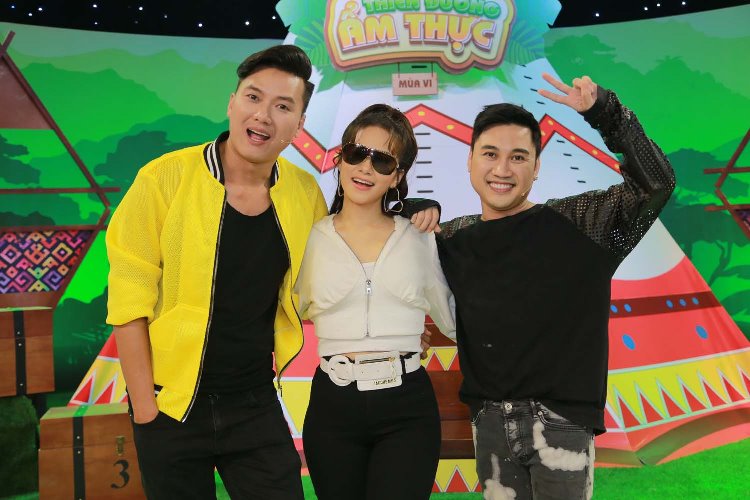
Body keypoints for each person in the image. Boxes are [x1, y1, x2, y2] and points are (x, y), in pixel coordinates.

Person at [106, 45, 439, 499]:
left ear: (299, 124)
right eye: (253, 97)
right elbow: (129, 297)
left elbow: (340, 259)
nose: (263, 115)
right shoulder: (162, 179)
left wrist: (393, 324)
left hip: (255, 403)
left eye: (283, 106)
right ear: (232, 102)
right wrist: (146, 408)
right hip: (171, 403)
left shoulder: (303, 194)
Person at [436, 74, 676, 499]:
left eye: (518, 157)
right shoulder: (453, 238)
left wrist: (605, 112)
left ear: (536, 167)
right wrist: (416, 206)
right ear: (470, 160)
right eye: (490, 154)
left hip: (561, 424)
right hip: (489, 424)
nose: (502, 170)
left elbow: (656, 184)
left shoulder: (582, 224)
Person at [296, 104, 456, 500]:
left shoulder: (420, 236)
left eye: (382, 161)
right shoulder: (307, 238)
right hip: (332, 406)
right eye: (356, 153)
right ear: (340, 158)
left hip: (407, 407)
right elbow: (284, 310)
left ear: (397, 176)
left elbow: (453, 320)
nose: (365, 168)